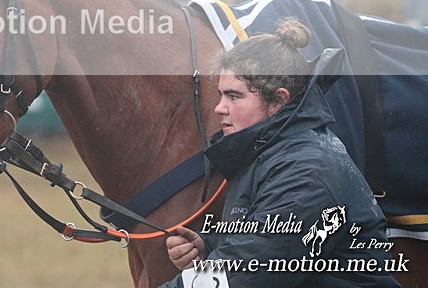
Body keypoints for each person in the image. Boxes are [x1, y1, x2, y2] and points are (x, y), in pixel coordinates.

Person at [159, 18, 399, 287]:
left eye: (234, 96)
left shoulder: (307, 172)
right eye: (221, 95)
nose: (219, 108)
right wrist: (207, 245)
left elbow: (242, 276)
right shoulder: (270, 154)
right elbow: (265, 240)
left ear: (278, 101)